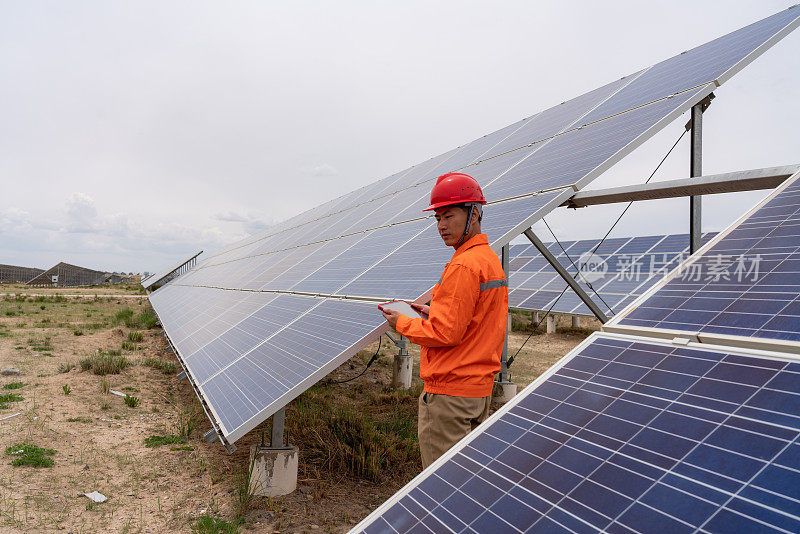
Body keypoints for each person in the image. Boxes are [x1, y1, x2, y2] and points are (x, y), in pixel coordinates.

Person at [381, 172, 508, 468]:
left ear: (474, 213)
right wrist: (432, 311)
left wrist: (402, 322)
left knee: (441, 486)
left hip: (450, 395)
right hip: (477, 392)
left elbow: (446, 334)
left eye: (448, 216)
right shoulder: (488, 259)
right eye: (438, 218)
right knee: (466, 481)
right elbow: (476, 320)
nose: (441, 226)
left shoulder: (463, 265)